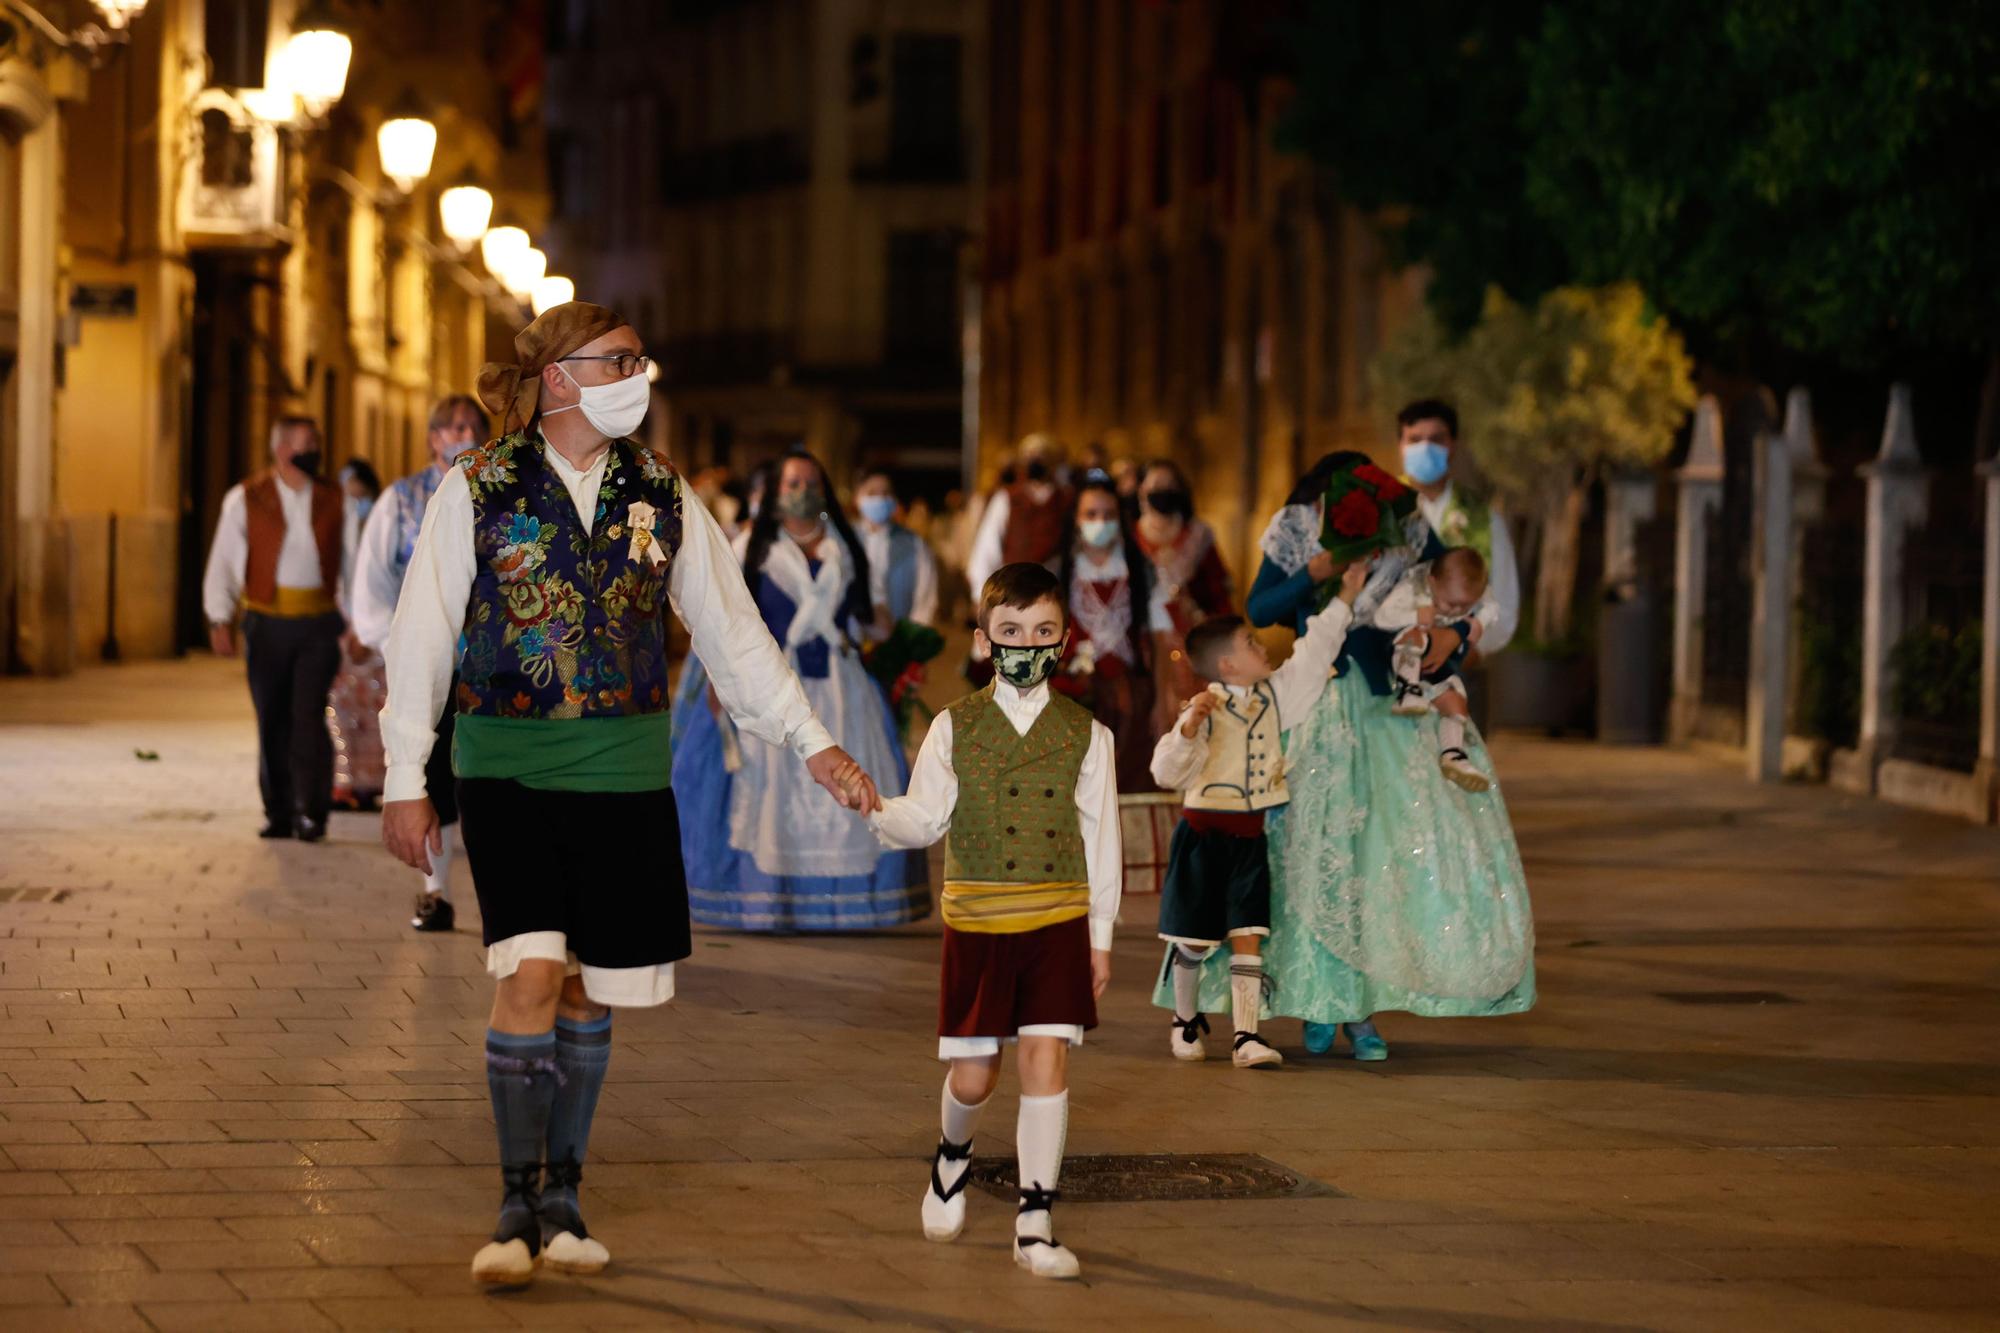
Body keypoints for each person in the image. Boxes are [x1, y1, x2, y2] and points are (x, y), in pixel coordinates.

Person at [376, 302, 882, 1286]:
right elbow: (422, 638)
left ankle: (565, 1194)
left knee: (585, 983)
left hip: (626, 768)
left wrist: (813, 744)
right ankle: (516, 1199)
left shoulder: (663, 491)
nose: (638, 374)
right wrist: (405, 780)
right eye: (620, 360)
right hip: (508, 765)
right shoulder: (475, 487)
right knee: (527, 970)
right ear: (561, 377)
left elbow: (734, 638)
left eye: (638, 359)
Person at [1169, 450, 1534, 1060]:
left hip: (1395, 708)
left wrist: (1460, 637)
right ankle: (1321, 1000)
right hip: (1325, 701)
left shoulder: (1406, 522)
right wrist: (1317, 570)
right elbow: (1262, 609)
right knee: (1316, 856)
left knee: (1382, 864)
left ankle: (1361, 1012)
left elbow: (1457, 590)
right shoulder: (1297, 530)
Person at [866, 562, 1120, 1281]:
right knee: (974, 1075)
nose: (1026, 645)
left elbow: (1101, 839)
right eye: (1011, 632)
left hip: (1057, 918)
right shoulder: (954, 726)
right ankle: (951, 1157)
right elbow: (925, 815)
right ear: (983, 639)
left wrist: (1100, 937)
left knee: (1047, 1059)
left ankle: (1035, 1220)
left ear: (1063, 641)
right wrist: (875, 808)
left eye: (1042, 632)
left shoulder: (1086, 734)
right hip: (978, 919)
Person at [673, 449, 929, 932]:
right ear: (774, 493)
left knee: (851, 777)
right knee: (770, 790)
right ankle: (775, 901)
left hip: (840, 680)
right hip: (775, 680)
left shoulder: (845, 545)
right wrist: (717, 682)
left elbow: (865, 616)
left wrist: (895, 639)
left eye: (811, 482)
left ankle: (843, 904)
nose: (802, 492)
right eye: (792, 483)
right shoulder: (752, 546)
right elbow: (726, 622)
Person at [1151, 562, 1366, 1068]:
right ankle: (1184, 1021)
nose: (1262, 646)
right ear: (1227, 666)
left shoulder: (1275, 697)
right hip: (1203, 838)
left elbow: (1314, 655)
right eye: (1250, 643)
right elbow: (1166, 771)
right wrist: (1187, 732)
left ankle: (1246, 1036)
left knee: (1249, 934)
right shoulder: (1203, 707)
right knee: (1195, 940)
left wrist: (1346, 597)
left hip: (1250, 839)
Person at [352, 394, 489, 931]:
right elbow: (374, 579)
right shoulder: (402, 500)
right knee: (430, 775)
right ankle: (435, 891)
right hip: (431, 664)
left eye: (473, 425)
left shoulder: (499, 492)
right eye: (454, 426)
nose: (463, 433)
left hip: (491, 665)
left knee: (480, 776)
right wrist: (400, 644)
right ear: (434, 437)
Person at [202, 416, 347, 842]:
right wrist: (219, 616)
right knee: (272, 717)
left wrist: (356, 622)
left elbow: (352, 562)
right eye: (306, 443)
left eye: (316, 442)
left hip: (319, 623)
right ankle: (279, 810)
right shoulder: (246, 498)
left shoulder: (333, 498)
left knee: (307, 715)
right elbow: (224, 561)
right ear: (282, 449)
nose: (314, 450)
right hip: (265, 623)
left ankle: (311, 810)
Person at [1052, 473, 1156, 793]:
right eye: (1091, 515)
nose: (1101, 522)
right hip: (1074, 697)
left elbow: (1156, 636)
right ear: (1076, 520)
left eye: (1109, 515)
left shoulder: (1140, 570)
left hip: (1132, 700)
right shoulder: (1058, 571)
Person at [1397, 399, 1518, 657]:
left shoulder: (1483, 519)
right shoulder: (1382, 509)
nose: (1425, 447)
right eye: (1415, 439)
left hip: (1461, 666)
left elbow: (1504, 604)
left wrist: (1466, 652)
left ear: (1453, 445)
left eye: (1436, 439)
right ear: (1401, 446)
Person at [1371, 546, 1493, 791]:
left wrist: (1477, 621)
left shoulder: (1462, 601)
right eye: (1451, 603)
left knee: (1457, 701)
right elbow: (1380, 617)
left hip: (1437, 658)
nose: (1456, 612)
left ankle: (1453, 753)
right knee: (1415, 637)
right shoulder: (1413, 587)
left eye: (1465, 607)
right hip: (1401, 653)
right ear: (1433, 582)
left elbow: (1491, 606)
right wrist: (1415, 615)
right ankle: (1409, 690)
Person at [1133, 458, 1234, 738]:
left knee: (1198, 718)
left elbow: (1218, 592)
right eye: (1155, 486)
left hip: (1192, 642)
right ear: (1141, 491)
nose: (1162, 492)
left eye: (1169, 486)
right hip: (1147, 646)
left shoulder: (1197, 536)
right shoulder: (1132, 538)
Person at [330, 459, 387, 812]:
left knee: (375, 707)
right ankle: (344, 780)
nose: (348, 490)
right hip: (342, 622)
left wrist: (366, 624)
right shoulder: (340, 519)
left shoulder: (381, 517)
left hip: (374, 629)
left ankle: (372, 782)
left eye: (352, 481)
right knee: (341, 706)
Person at [965, 435, 1072, 597]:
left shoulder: (1065, 499)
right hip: (1013, 588)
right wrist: (979, 591)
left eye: (1042, 455)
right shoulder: (1007, 497)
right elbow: (988, 544)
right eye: (1030, 455)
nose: (1036, 461)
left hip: (1053, 588)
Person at [853, 466, 940, 632]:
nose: (879, 498)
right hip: (850, 645)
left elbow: (926, 598)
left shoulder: (913, 544)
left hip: (899, 642)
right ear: (857, 498)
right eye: (872, 493)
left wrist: (909, 640)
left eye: (885, 493)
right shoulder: (844, 540)